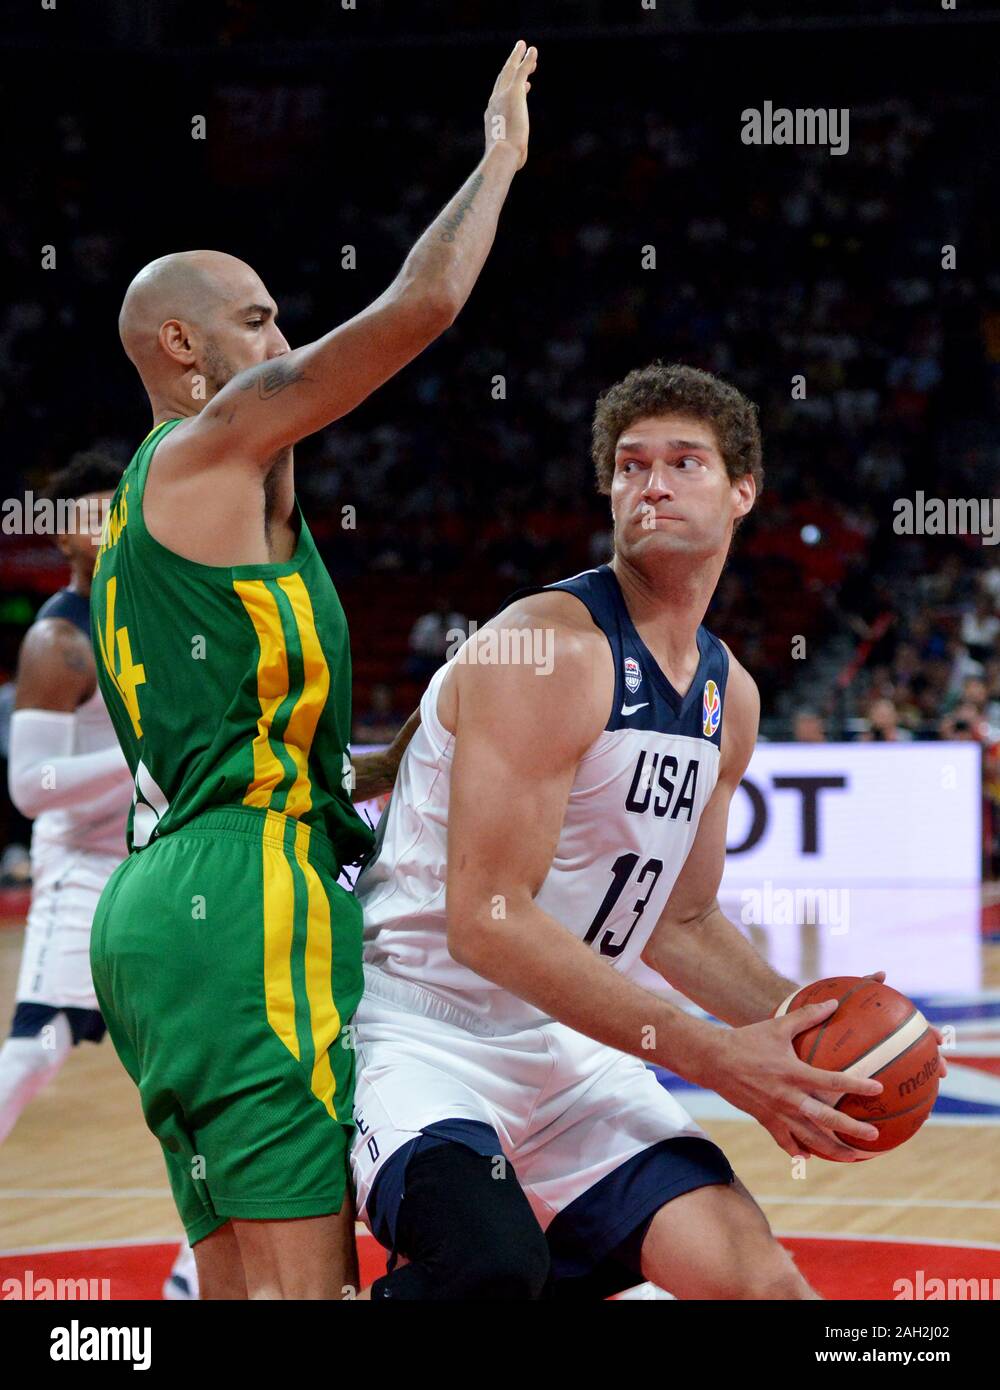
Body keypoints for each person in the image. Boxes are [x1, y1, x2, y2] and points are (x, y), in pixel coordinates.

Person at [88, 40, 538, 1300]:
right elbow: (419, 310)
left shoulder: (144, 518)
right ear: (181, 343)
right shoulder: (207, 449)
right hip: (248, 892)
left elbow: (253, 721)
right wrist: (497, 160)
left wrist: (428, 739)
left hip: (158, 907)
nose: (284, 337)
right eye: (259, 318)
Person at [349, 362, 944, 1301]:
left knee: (764, 1290)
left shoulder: (728, 696)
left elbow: (682, 922)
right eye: (630, 467)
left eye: (683, 463)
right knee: (489, 1271)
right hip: (425, 1037)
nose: (651, 485)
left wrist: (820, 1039)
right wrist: (712, 1057)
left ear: (744, 490)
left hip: (572, 1049)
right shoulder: (548, 647)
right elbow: (488, 919)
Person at [2, 454, 196, 1296]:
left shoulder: (158, 610)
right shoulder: (61, 636)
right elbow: (27, 787)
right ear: (62, 540)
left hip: (164, 863)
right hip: (84, 867)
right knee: (37, 1051)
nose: (108, 521)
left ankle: (196, 1270)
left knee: (198, 1066)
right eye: (89, 514)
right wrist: (139, 754)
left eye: (116, 506)